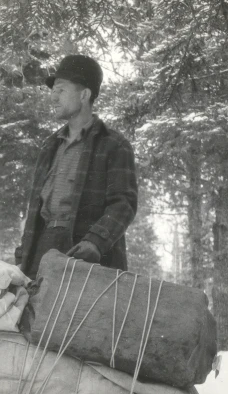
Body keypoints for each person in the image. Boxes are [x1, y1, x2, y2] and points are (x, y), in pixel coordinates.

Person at [15, 54, 137, 278]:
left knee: (82, 313)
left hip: (85, 252)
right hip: (44, 247)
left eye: (61, 90)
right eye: (53, 91)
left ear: (84, 95)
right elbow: (36, 209)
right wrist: (24, 253)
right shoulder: (50, 146)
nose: (53, 98)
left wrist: (96, 243)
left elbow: (124, 204)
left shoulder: (114, 145)